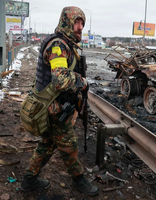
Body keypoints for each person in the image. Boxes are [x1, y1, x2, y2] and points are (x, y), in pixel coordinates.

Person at [20, 6, 99, 196]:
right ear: (66, 22)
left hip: (53, 105)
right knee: (69, 144)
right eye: (76, 23)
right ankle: (79, 180)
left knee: (47, 143)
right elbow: (61, 78)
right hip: (52, 107)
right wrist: (83, 82)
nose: (80, 27)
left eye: (82, 23)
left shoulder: (67, 43)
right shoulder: (58, 46)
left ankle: (28, 180)